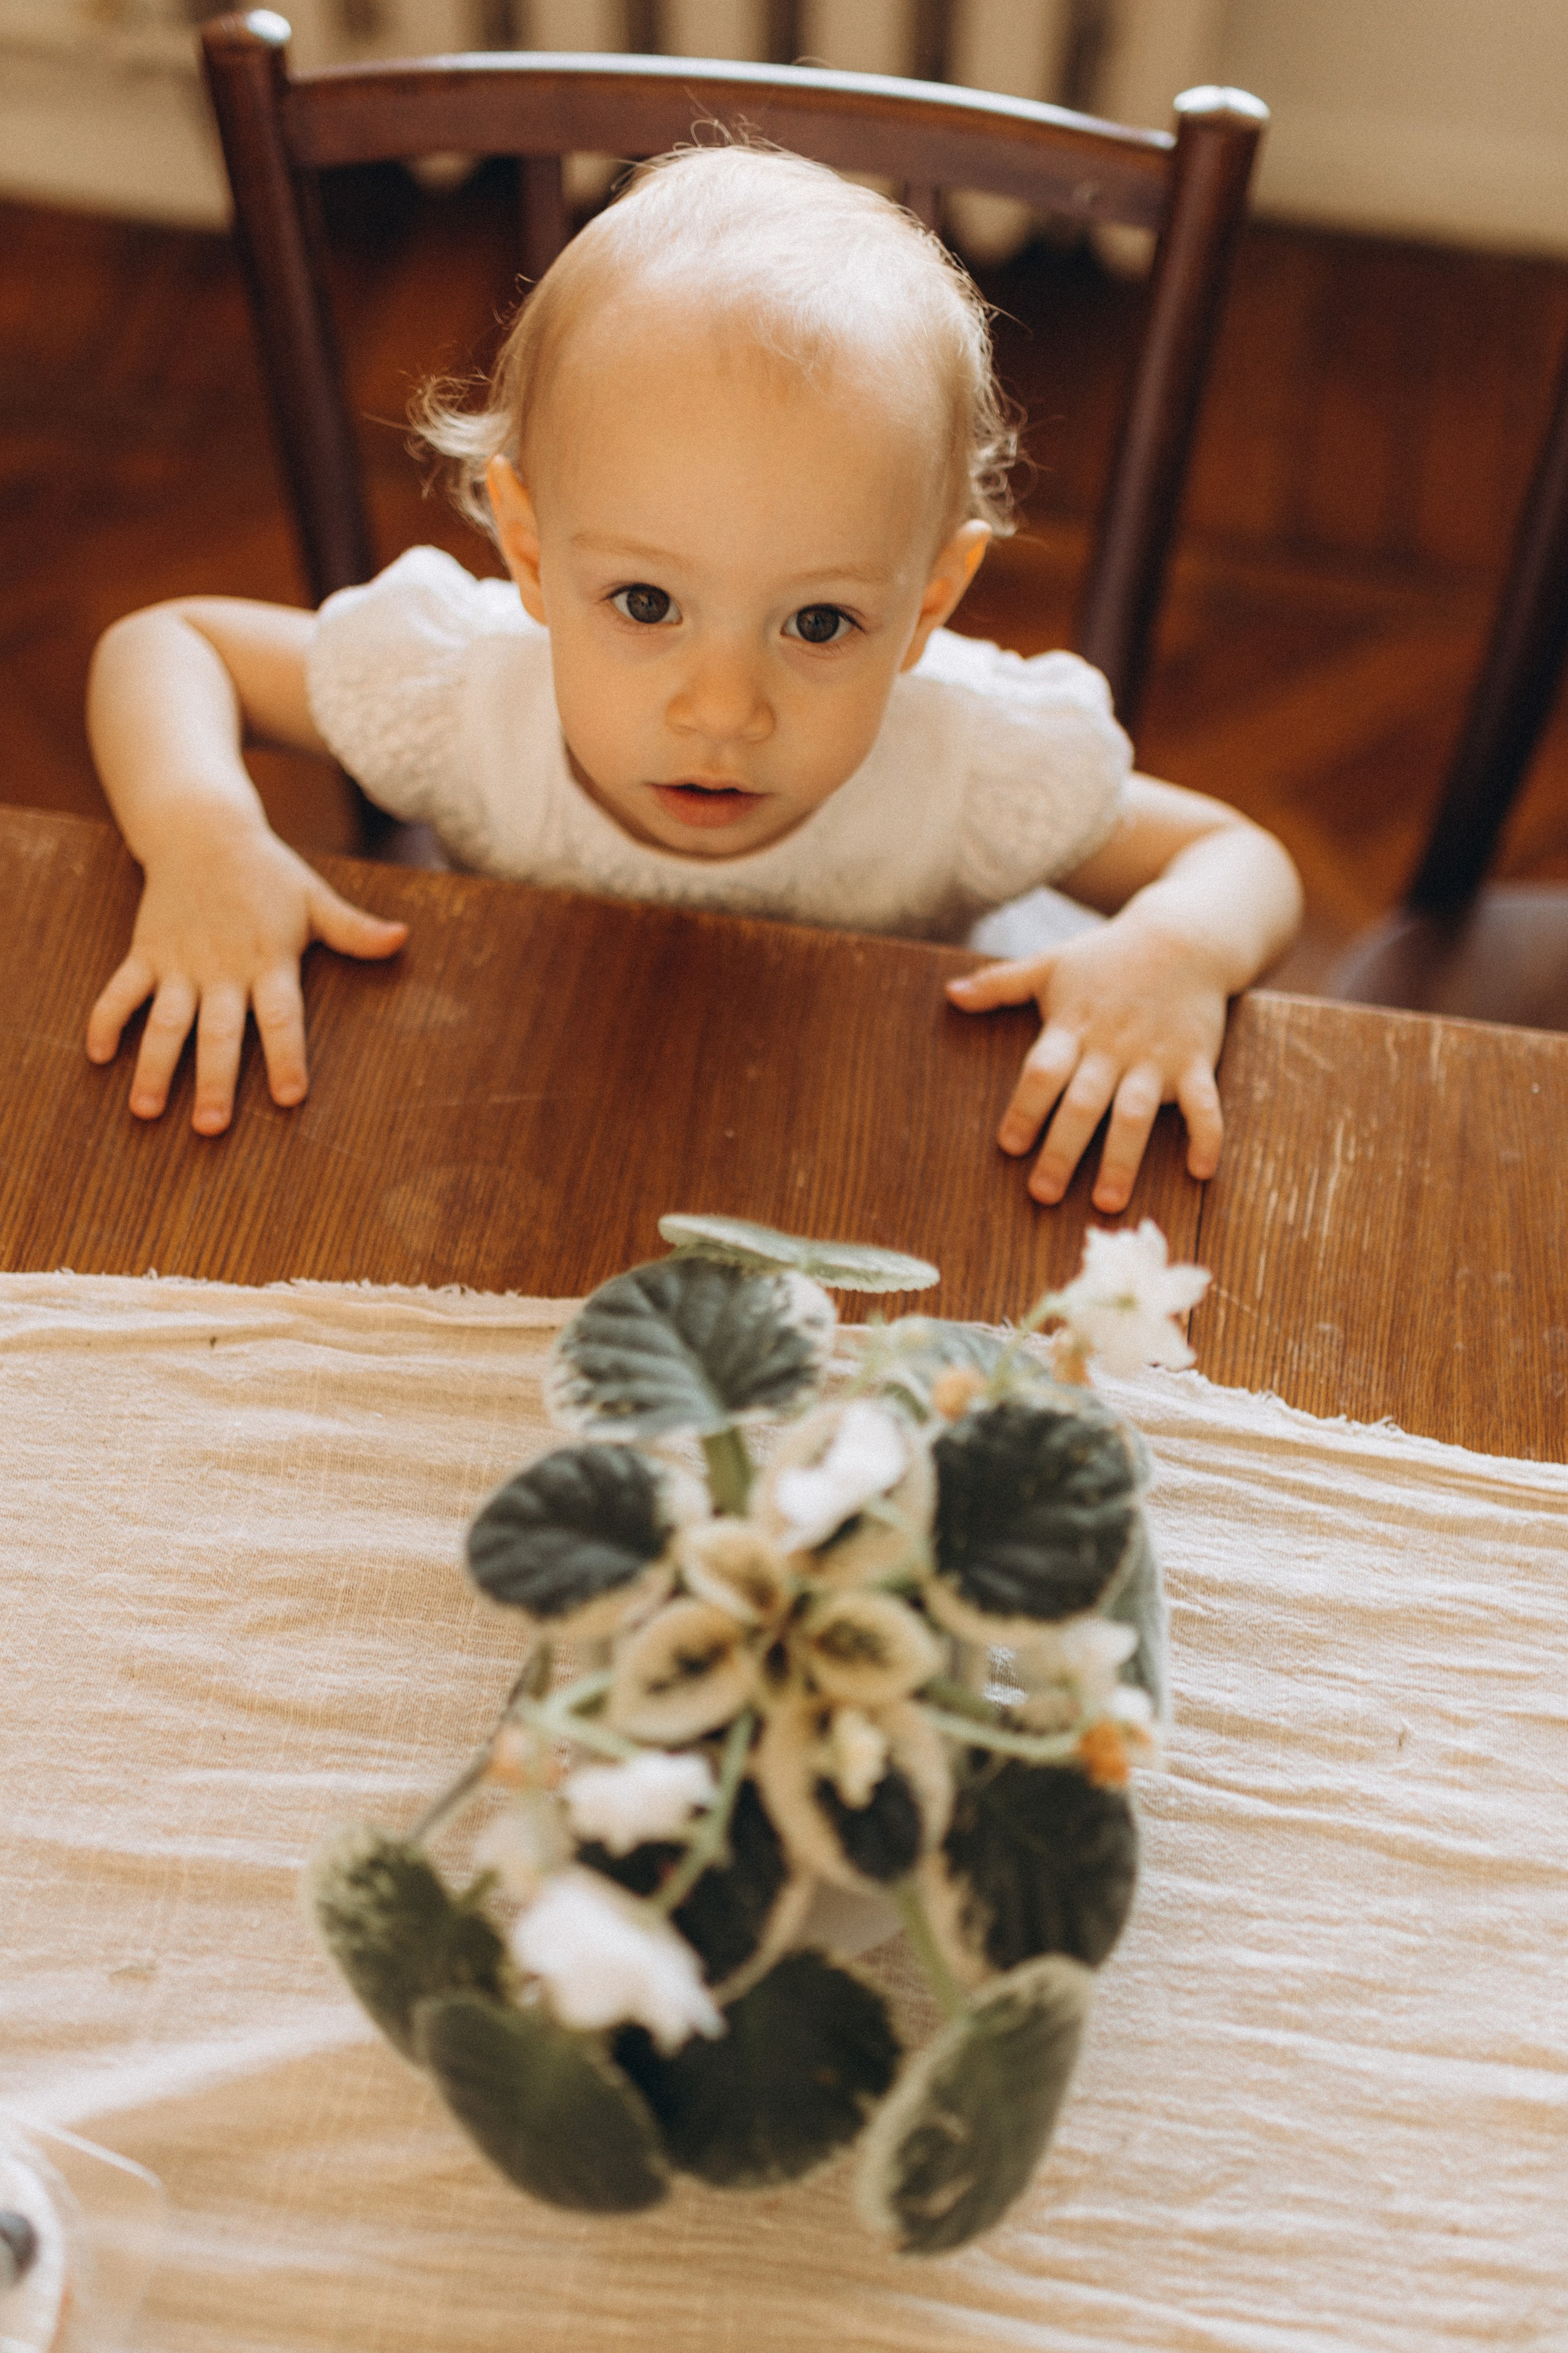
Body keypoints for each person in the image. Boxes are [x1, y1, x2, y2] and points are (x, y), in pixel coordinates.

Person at [83, 142, 1301, 1217]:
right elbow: (167, 644)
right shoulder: (463, 692)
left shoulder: (970, 765)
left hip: (893, 1171)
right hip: (535, 1131)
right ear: (527, 551)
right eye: (647, 604)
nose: (724, 710)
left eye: (818, 621)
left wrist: (1174, 954)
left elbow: (1236, 856)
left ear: (928, 602)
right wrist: (203, 839)